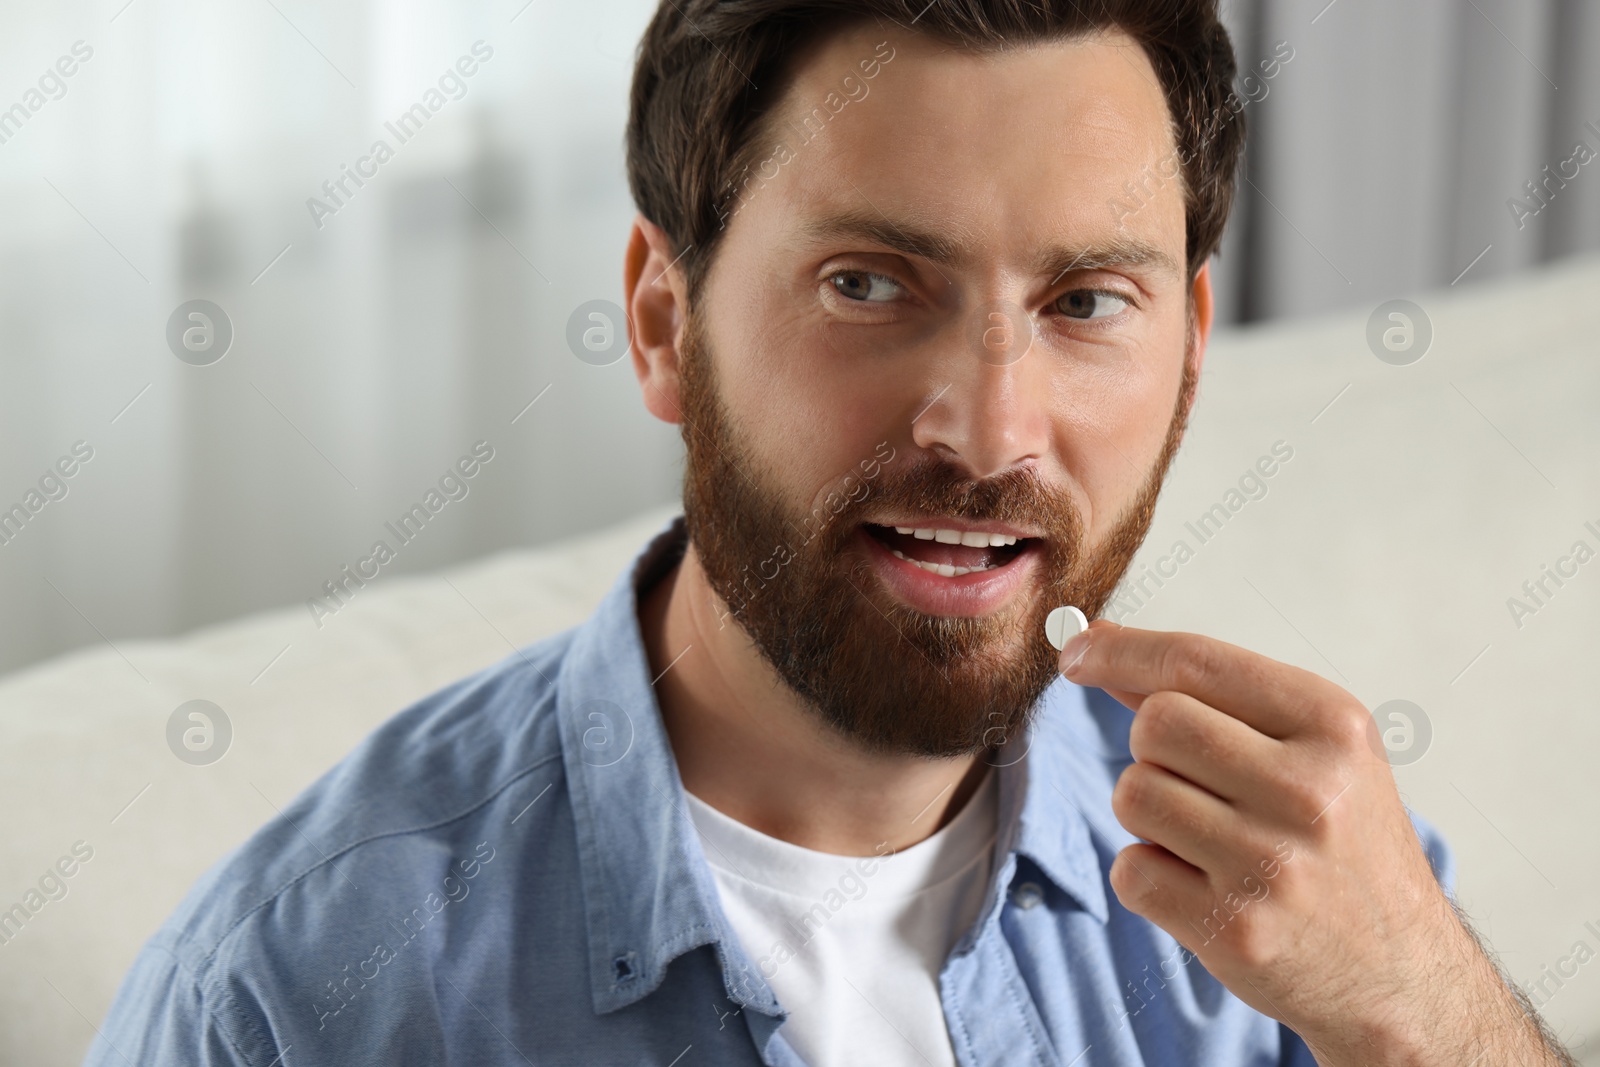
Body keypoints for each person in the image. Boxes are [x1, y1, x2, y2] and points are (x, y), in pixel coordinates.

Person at [86, 1, 1576, 1064]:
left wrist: (1422, 1010)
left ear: (1190, 344)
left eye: (1083, 304)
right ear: (666, 322)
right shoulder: (290, 1002)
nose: (989, 432)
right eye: (869, 283)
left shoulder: (1307, 885)